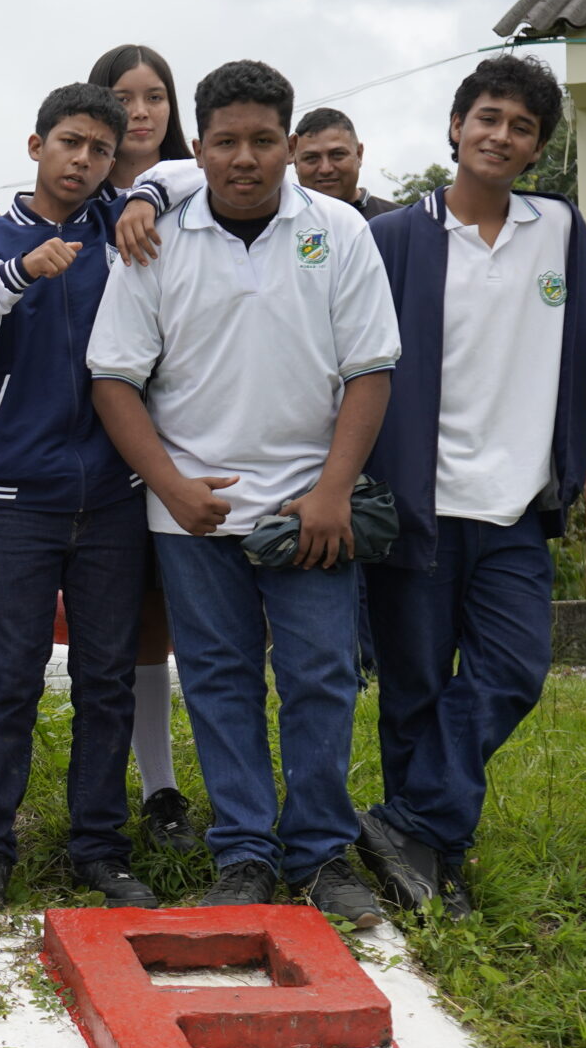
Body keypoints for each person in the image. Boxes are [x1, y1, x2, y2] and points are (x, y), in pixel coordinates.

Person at [86, 59, 401, 928]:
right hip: (194, 510)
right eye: (225, 141)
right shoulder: (157, 239)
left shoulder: (337, 231)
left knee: (321, 678)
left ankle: (323, 853)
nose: (245, 158)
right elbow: (114, 377)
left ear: (291, 146)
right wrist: (171, 485)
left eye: (264, 140)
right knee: (220, 681)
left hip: (311, 506)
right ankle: (244, 852)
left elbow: (370, 368)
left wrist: (335, 489)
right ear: (200, 145)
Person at [352, 53, 586, 921]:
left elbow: (567, 304)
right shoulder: (397, 237)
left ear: (537, 148)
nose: (501, 135)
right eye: (487, 117)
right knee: (414, 688)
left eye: (522, 126)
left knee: (514, 670)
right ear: (456, 127)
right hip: (419, 502)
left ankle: (407, 820)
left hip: (517, 500)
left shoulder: (557, 229)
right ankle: (431, 867)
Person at [0, 82, 166, 911]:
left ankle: (99, 845)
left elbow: (193, 177)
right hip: (14, 492)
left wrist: (146, 194)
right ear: (36, 146)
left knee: (105, 677)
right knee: (12, 678)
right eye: (71, 143)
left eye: (101, 150)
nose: (85, 160)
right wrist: (16, 273)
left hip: (111, 491)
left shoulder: (126, 230)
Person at [83, 43, 200, 854]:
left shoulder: (199, 188)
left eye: (154, 95)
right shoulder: (73, 197)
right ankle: (107, 790)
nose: (140, 112)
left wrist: (150, 195)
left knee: (163, 617)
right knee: (117, 624)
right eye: (122, 98)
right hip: (95, 434)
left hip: (189, 427)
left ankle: (162, 788)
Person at [292, 108, 400, 218]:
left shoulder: (401, 223)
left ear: (359, 154)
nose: (326, 169)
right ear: (295, 163)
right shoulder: (277, 226)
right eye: (311, 158)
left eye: (337, 155)